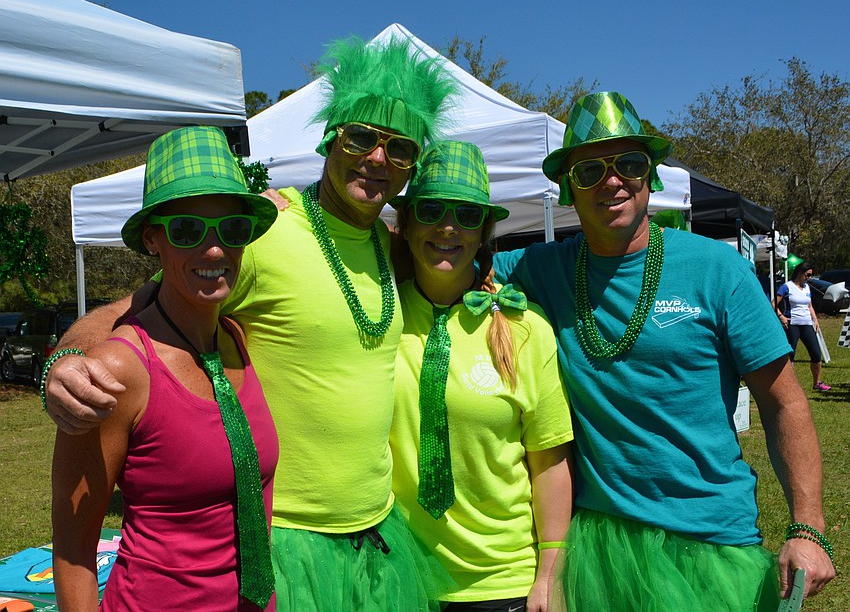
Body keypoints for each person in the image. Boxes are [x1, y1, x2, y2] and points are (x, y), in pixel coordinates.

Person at [44, 36, 459, 611]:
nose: (379, 159)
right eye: (362, 138)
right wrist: (64, 363)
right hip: (286, 549)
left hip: (377, 537)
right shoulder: (262, 232)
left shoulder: (393, 247)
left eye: (401, 148)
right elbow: (132, 310)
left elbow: (454, 261)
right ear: (330, 138)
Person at [491, 92, 835, 610]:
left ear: (650, 174)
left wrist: (808, 527)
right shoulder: (540, 268)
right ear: (566, 188)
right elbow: (445, 256)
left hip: (709, 542)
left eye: (628, 163)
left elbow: (783, 402)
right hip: (599, 551)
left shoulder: (716, 269)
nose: (611, 180)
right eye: (589, 171)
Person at [51, 126, 280, 611]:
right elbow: (73, 552)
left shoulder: (237, 340)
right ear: (154, 239)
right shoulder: (120, 368)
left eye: (232, 229)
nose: (214, 249)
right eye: (187, 230)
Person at [389, 141, 573, 611]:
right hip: (398, 577)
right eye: (431, 210)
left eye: (468, 216)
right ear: (406, 224)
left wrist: (549, 574)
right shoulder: (377, 316)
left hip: (502, 582)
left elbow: (549, 462)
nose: (448, 227)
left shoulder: (525, 328)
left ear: (485, 232)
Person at [774, 262, 831, 391]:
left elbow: (809, 305)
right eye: (808, 275)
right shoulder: (787, 287)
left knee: (816, 354)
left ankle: (817, 383)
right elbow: (773, 304)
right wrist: (781, 316)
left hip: (806, 324)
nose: (809, 277)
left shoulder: (807, 288)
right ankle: (789, 385)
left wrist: (815, 319)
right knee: (791, 355)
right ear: (800, 272)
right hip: (792, 324)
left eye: (810, 275)